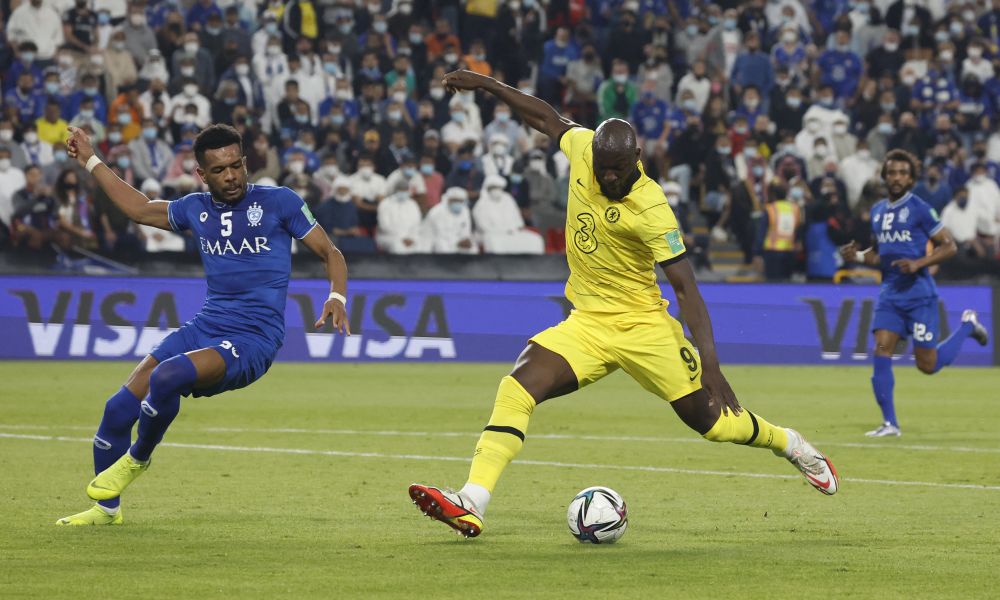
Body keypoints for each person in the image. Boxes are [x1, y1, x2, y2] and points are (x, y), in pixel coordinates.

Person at [408, 69, 841, 540]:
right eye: (602, 166)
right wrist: (488, 85)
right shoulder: (583, 150)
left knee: (712, 425)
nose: (608, 175)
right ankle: (472, 502)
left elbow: (686, 289)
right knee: (517, 387)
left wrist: (711, 363)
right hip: (588, 323)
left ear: (638, 158)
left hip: (645, 327)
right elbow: (545, 116)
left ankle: (791, 444)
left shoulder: (652, 207)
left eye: (617, 167)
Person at [56, 124, 350, 526]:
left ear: (245, 163)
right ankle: (106, 510)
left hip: (254, 338)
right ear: (201, 174)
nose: (230, 176)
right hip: (207, 325)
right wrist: (90, 158)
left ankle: (138, 459)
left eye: (236, 165)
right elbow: (139, 209)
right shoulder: (195, 209)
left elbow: (329, 251)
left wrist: (337, 295)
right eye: (219, 170)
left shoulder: (280, 202)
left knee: (168, 377)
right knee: (117, 408)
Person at [839, 150, 990, 438]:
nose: (896, 178)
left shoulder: (920, 208)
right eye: (892, 172)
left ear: (911, 178)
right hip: (890, 296)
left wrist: (919, 263)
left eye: (902, 173)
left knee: (927, 365)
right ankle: (890, 424)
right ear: (885, 176)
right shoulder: (877, 212)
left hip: (920, 296)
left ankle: (968, 326)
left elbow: (949, 246)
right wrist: (857, 255)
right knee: (882, 347)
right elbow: (879, 255)